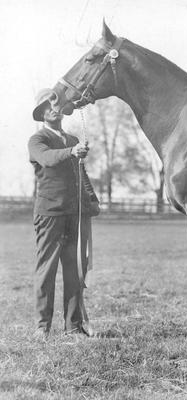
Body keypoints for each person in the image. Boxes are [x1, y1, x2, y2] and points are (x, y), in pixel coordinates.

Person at [28, 88, 100, 338]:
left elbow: (81, 173)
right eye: (47, 107)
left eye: (55, 105)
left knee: (74, 270)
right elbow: (47, 159)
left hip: (74, 214)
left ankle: (73, 326)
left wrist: (91, 199)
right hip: (50, 214)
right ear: (42, 114)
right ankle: (42, 327)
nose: (53, 109)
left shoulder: (71, 139)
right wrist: (72, 151)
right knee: (47, 270)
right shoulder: (38, 141)